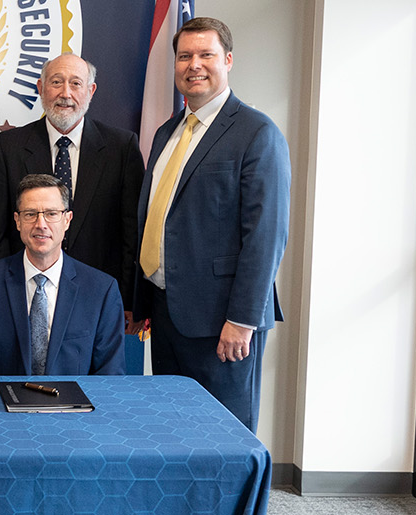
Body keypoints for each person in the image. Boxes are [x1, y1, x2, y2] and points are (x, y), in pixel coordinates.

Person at [136, 17, 291, 433]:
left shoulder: (257, 132)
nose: (194, 65)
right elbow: (158, 219)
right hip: (168, 314)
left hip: (222, 321)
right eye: (185, 56)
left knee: (222, 436)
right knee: (171, 429)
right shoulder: (168, 133)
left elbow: (266, 237)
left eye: (206, 54)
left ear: (228, 60)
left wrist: (242, 320)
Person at [0, 53, 143, 315]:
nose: (65, 93)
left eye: (76, 84)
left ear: (91, 91)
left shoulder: (121, 148)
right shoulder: (7, 148)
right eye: (56, 82)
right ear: (40, 88)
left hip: (98, 299)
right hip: (24, 296)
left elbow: (130, 235)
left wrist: (127, 300)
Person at [0, 174, 125, 376]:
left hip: (75, 406)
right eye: (30, 214)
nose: (41, 224)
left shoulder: (101, 290)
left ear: (67, 220)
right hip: (4, 404)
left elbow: (110, 376)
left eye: (51, 213)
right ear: (17, 221)